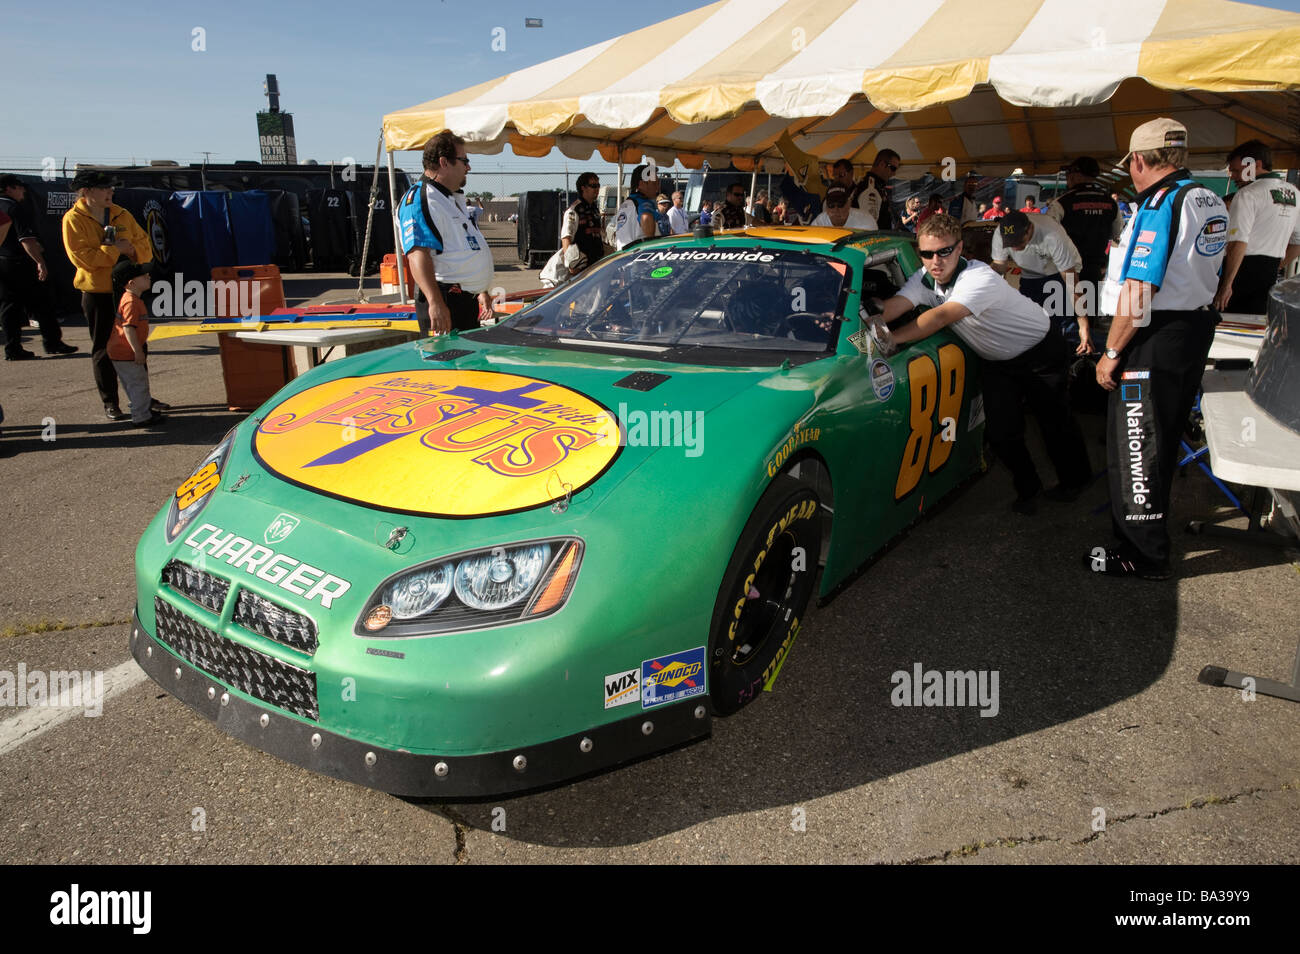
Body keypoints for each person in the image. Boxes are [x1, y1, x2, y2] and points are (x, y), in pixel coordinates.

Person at [873, 214, 1092, 514]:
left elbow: (938, 317)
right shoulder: (925, 279)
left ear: (960, 248)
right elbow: (894, 306)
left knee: (1054, 422)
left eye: (944, 252)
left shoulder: (979, 277)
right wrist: (855, 316)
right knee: (1001, 432)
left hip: (1040, 350)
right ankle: (1029, 487)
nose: (935, 261)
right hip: (997, 360)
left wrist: (891, 339)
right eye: (926, 254)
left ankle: (1077, 480)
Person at [1090, 118, 1227, 579]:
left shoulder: (1161, 202)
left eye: (1130, 162)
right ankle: (1147, 541)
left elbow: (1139, 287)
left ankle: (1141, 553)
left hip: (1155, 334)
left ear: (1141, 160)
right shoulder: (1208, 196)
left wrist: (1110, 352)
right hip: (1192, 328)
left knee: (1137, 441)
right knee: (1161, 439)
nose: (1130, 170)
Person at [61, 170, 152, 420]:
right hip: (97, 292)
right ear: (87, 192)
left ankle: (142, 399)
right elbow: (84, 259)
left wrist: (132, 251)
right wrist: (114, 251)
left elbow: (145, 247)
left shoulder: (122, 213)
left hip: (127, 292)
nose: (110, 192)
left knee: (137, 344)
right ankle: (111, 402)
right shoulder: (73, 219)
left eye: (111, 188)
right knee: (103, 348)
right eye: (104, 188)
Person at [396, 131, 494, 335]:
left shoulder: (450, 199)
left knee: (471, 364)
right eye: (464, 160)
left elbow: (466, 247)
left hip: (464, 300)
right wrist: (435, 302)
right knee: (447, 364)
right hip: (445, 300)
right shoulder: (421, 199)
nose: (468, 167)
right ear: (444, 162)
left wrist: (481, 290)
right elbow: (417, 254)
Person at [1212, 140, 1300, 314]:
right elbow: (1297, 242)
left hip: (1240, 272)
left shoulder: (1247, 193)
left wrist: (1227, 285)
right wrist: (1275, 267)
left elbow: (1238, 242)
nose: (1233, 177)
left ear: (1256, 165)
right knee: (1255, 328)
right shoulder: (1295, 193)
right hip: (1269, 273)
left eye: (1237, 171)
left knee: (1228, 329)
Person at [990, 211, 1093, 352]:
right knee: (1028, 322)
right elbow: (999, 266)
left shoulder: (1052, 235)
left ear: (1030, 229)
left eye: (1019, 242)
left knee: (1059, 325)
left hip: (1060, 271)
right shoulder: (1000, 234)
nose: (1014, 248)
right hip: (1029, 273)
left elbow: (1071, 283)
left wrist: (1083, 324)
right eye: (1010, 244)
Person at [0, 175, 77, 361]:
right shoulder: (13, 208)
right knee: (42, 303)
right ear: (9, 188)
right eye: (19, 187)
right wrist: (40, 262)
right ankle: (52, 342)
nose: (23, 191)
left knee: (9, 307)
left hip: (3, 262)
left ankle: (13, 348)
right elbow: (26, 239)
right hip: (20, 262)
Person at [1046, 156, 1124, 292]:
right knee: (1091, 310)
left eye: (1069, 174)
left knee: (1065, 310)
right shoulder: (1111, 203)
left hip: (1067, 269)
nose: (1067, 178)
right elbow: (1118, 234)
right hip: (1095, 269)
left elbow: (1047, 235)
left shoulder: (1061, 203)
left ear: (1076, 176)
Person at [109, 260, 164, 427]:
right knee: (138, 384)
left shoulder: (130, 298)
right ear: (132, 282)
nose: (148, 276)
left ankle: (143, 410)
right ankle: (141, 417)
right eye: (144, 275)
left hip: (119, 351)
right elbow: (128, 329)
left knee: (133, 384)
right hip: (126, 352)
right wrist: (137, 351)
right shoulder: (132, 302)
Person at [559, 171, 604, 273]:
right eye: (593, 186)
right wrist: (572, 265)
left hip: (597, 262)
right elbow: (566, 237)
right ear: (583, 188)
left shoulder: (594, 209)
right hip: (581, 266)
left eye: (598, 185)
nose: (597, 189)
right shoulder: (574, 210)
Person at [613, 163, 662, 248]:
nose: (658, 187)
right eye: (654, 183)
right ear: (641, 184)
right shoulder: (644, 203)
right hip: (640, 256)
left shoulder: (625, 204)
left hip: (623, 255)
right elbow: (646, 217)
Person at [855, 150, 899, 229]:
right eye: (893, 168)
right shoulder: (870, 188)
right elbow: (868, 225)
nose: (894, 173)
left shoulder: (878, 186)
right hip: (874, 239)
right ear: (882, 164)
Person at [810, 185, 877, 229]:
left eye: (840, 204)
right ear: (826, 208)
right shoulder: (818, 224)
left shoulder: (866, 221)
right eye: (831, 205)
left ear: (849, 204)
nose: (836, 210)